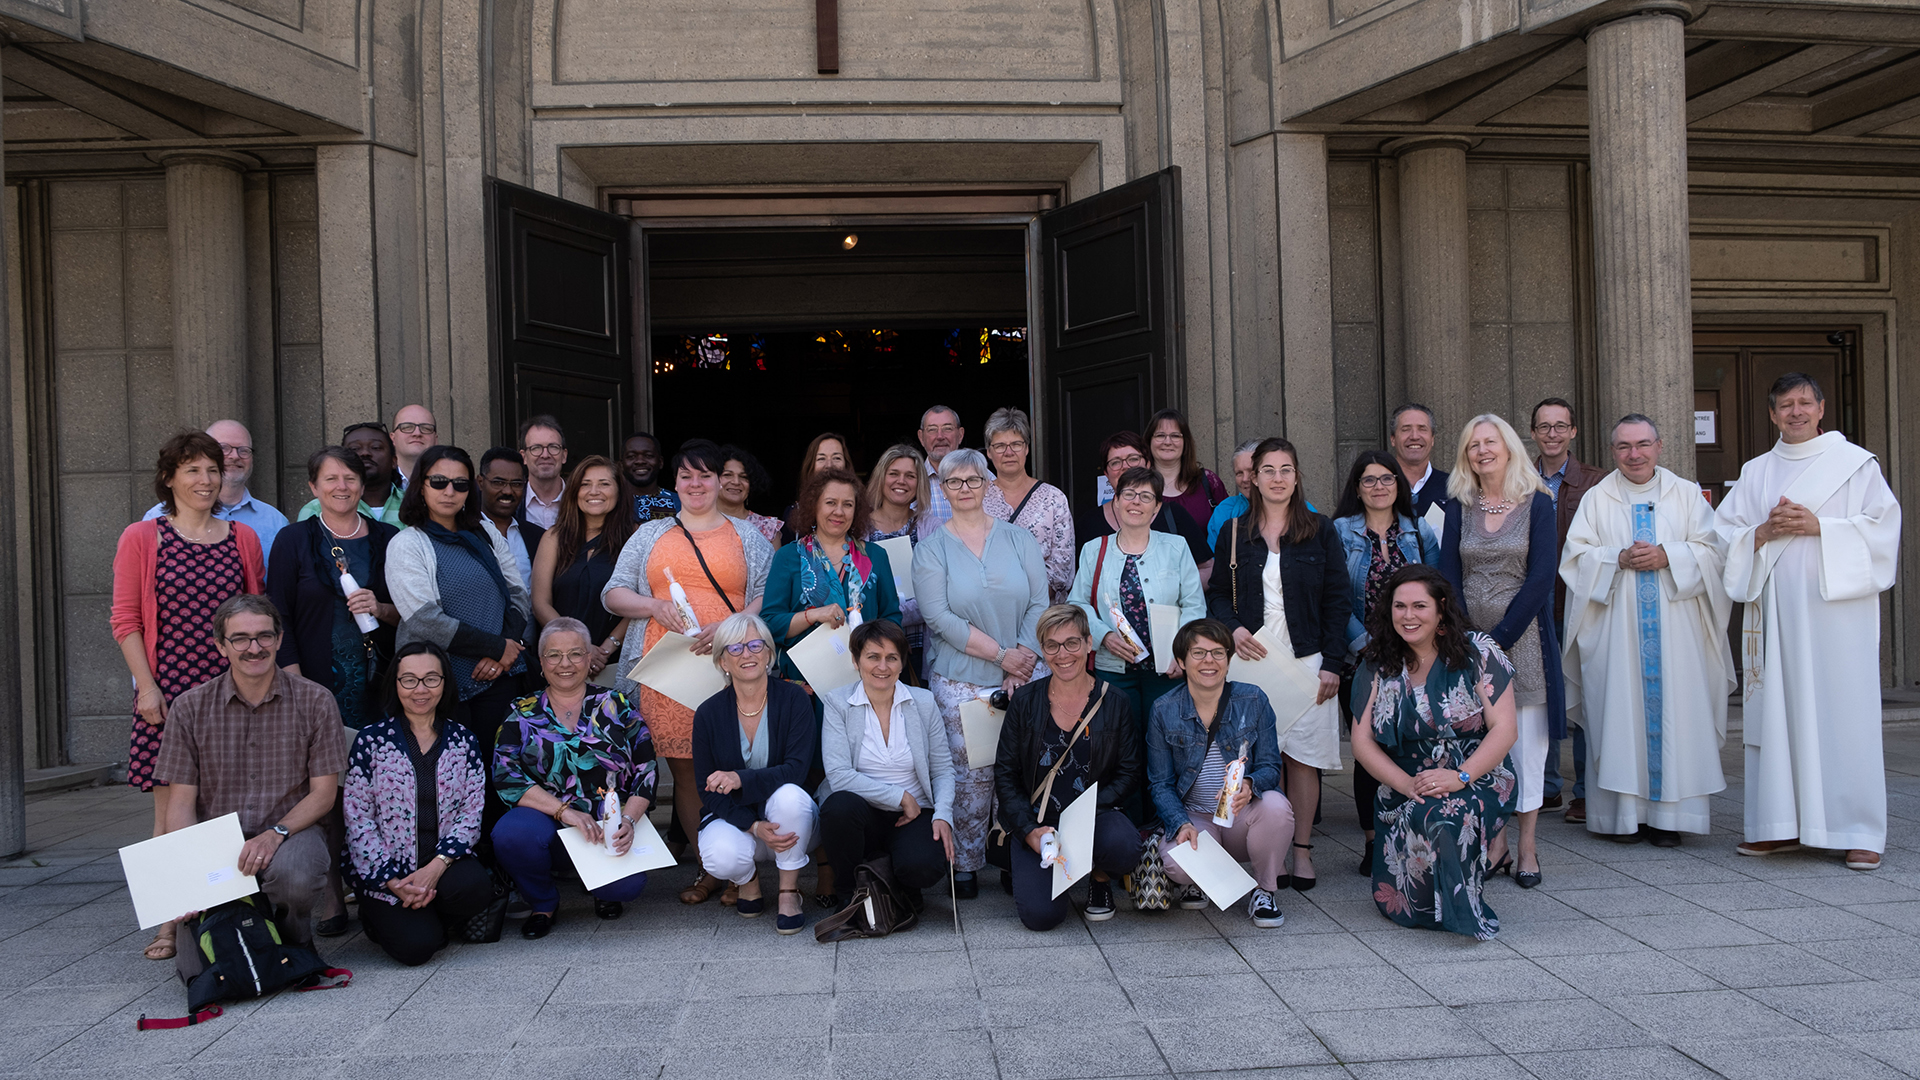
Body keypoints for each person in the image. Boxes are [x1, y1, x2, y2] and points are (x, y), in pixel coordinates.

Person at [1715, 373, 1901, 871]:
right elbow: (1722, 535)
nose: (1795, 412)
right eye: (1784, 405)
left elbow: (1884, 530)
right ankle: (1778, 826)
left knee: (1844, 714)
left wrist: (1821, 527)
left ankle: (1858, 830)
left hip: (1837, 615)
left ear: (1821, 409)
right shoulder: (1756, 471)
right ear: (1773, 415)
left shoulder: (1855, 465)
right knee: (1779, 712)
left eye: (1803, 403)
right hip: (1775, 614)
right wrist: (1760, 531)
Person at [112, 430, 267, 960]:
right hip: (170, 692)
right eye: (193, 470)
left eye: (212, 470)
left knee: (222, 804)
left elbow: (256, 617)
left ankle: (222, 910)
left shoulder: (241, 538)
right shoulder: (143, 536)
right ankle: (168, 925)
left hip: (230, 690)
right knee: (170, 813)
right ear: (171, 478)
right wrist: (147, 689)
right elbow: (126, 621)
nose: (205, 480)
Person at [603, 438, 774, 903]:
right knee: (686, 773)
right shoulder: (650, 534)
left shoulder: (747, 536)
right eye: (686, 475)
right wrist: (653, 604)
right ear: (674, 482)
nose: (695, 484)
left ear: (722, 481)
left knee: (733, 764)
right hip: (667, 670)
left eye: (705, 475)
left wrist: (731, 625)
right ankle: (710, 868)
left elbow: (768, 597)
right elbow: (613, 593)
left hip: (733, 664)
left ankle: (742, 865)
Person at [1561, 416, 1732, 846]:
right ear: (1612, 450)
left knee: (1678, 714)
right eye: (1623, 447)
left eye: (1641, 444)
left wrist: (1669, 557)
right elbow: (1574, 558)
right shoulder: (1598, 498)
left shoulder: (1687, 495)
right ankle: (1622, 818)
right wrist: (1616, 559)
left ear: (1659, 445)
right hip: (1616, 633)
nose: (1633, 454)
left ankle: (1671, 819)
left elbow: (1715, 553)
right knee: (1618, 713)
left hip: (1678, 633)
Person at [155, 594, 347, 968]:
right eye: (240, 638)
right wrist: (190, 871)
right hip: (216, 835)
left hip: (290, 829)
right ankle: (232, 936)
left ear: (278, 639)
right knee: (199, 958)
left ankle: (295, 943)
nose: (253, 648)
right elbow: (179, 802)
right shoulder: (189, 707)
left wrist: (276, 832)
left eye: (263, 637)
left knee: (296, 873)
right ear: (220, 645)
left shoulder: (316, 700)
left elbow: (324, 795)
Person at [1205, 436, 1349, 891]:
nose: (1277, 478)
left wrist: (1333, 662)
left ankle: (1301, 850)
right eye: (1268, 469)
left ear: (1297, 475)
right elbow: (1216, 598)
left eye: (1286, 469)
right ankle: (1271, 849)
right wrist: (1233, 629)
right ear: (1252, 477)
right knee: (1252, 757)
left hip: (1308, 658)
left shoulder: (1320, 529)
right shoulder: (1234, 532)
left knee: (1303, 759)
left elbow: (1338, 598)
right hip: (1253, 659)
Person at [1348, 565, 1519, 939]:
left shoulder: (1478, 653)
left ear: (1441, 609)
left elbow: (1505, 730)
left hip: (1477, 772)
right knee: (1428, 812)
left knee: (1446, 814)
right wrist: (1408, 785)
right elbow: (1361, 743)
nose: (1408, 616)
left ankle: (1460, 907)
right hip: (1406, 780)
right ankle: (1428, 901)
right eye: (1399, 606)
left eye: (1419, 606)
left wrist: (1460, 777)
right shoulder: (1376, 664)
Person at [914, 448, 1049, 898]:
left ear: (988, 485)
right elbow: (939, 617)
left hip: (1024, 673)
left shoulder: (1019, 539)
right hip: (961, 678)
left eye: (974, 480)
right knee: (971, 777)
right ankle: (967, 862)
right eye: (955, 482)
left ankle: (1014, 855)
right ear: (944, 490)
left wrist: (1022, 659)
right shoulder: (931, 548)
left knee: (1023, 770)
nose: (965, 489)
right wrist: (1002, 657)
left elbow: (1038, 603)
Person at [1439, 414, 1563, 888]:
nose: (1482, 450)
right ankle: (1496, 842)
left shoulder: (1539, 503)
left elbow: (1540, 579)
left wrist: (1500, 638)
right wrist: (1469, 635)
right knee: (1479, 743)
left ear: (1508, 447)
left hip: (1524, 638)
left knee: (1526, 744)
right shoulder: (1460, 503)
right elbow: (1448, 570)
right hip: (1467, 639)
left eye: (1490, 441)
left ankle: (1527, 846)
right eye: (1473, 444)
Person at [387, 444, 532, 824]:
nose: (450, 491)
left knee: (500, 773)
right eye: (439, 482)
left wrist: (504, 650)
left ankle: (501, 861)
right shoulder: (408, 544)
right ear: (421, 486)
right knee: (452, 781)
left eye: (460, 484)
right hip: (441, 685)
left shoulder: (484, 532)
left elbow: (518, 594)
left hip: (498, 677)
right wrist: (497, 646)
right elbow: (424, 620)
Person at [492, 618, 658, 937]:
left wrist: (629, 821)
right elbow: (505, 774)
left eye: (575, 654)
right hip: (549, 821)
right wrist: (565, 813)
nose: (565, 664)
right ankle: (543, 903)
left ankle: (601, 889)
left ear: (589, 658)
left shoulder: (617, 705)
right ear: (541, 663)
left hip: (609, 821)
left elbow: (646, 770)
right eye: (554, 655)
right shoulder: (521, 710)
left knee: (626, 887)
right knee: (512, 834)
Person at [342, 642, 493, 965]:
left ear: (444, 683)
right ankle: (388, 916)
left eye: (431, 679)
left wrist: (436, 867)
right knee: (418, 949)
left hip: (441, 860)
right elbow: (358, 819)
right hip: (388, 868)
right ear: (395, 684)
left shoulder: (462, 740)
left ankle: (425, 910)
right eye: (409, 679)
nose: (420, 689)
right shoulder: (372, 741)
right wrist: (392, 880)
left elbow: (471, 813)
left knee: (476, 887)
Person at [993, 605, 1141, 930]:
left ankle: (1098, 876)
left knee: (1124, 846)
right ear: (1042, 650)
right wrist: (1029, 829)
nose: (1063, 654)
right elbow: (1005, 773)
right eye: (1052, 645)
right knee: (1041, 917)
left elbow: (1129, 772)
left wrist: (1083, 813)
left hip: (1092, 818)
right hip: (1038, 824)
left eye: (1072, 643)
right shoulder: (1026, 701)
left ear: (1089, 644)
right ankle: (1042, 863)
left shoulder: (1114, 702)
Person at [1067, 465, 1205, 813]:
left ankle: (1167, 826)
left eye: (1146, 496)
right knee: (1120, 751)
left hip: (1167, 671)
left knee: (1166, 748)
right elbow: (1077, 602)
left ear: (1157, 507)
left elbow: (1194, 604)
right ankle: (1128, 834)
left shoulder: (1176, 547)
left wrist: (1182, 653)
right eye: (1128, 494)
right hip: (1114, 670)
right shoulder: (1093, 550)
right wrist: (1102, 636)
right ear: (1115, 501)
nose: (1136, 502)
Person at [1331, 450, 1439, 873]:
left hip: (1415, 656)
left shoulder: (1418, 531)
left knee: (1412, 742)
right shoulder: (1339, 531)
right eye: (1369, 480)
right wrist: (1365, 647)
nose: (1379, 487)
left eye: (1387, 479)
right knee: (1368, 748)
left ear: (1400, 485)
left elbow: (1435, 591)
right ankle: (1374, 840)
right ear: (1356, 488)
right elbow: (1335, 597)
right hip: (1360, 657)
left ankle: (1414, 829)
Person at [1147, 618, 1294, 927]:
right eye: (1198, 653)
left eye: (1218, 652)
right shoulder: (1164, 709)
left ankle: (1264, 890)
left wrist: (1251, 786)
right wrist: (1180, 823)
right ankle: (1196, 878)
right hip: (1196, 817)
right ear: (1181, 662)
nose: (1209, 661)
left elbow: (1270, 765)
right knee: (1175, 863)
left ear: (1229, 659)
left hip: (1242, 815)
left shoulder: (1253, 699)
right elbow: (1160, 783)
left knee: (1277, 808)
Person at [692, 613, 819, 935]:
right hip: (741, 822)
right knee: (720, 857)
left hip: (792, 821)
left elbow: (797, 769)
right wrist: (752, 825)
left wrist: (740, 778)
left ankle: (789, 891)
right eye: (734, 649)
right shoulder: (707, 713)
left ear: (768, 654)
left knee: (790, 796)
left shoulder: (794, 699)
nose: (746, 654)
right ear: (722, 661)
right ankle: (746, 880)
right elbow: (706, 790)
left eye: (754, 645)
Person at [817, 619, 955, 911]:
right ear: (856, 661)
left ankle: (896, 884)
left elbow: (942, 768)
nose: (883, 667)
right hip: (862, 813)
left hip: (914, 813)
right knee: (838, 808)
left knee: (924, 867)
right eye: (873, 657)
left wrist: (943, 814)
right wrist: (899, 796)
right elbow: (839, 776)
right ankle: (849, 891)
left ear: (902, 663)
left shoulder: (924, 702)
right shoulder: (838, 703)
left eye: (891, 658)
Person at [267, 445, 401, 727]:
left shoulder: (390, 538)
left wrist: (380, 608)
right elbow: (278, 618)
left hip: (384, 683)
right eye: (331, 479)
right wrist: (296, 688)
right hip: (313, 685)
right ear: (314, 487)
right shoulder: (293, 540)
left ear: (362, 487)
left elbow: (412, 612)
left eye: (351, 478)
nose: (342, 486)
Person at [762, 467, 902, 699]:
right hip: (806, 690)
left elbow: (892, 618)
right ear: (813, 505)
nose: (839, 511)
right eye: (830, 502)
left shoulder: (875, 556)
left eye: (848, 504)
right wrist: (813, 615)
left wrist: (877, 655)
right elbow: (769, 623)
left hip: (866, 682)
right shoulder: (788, 557)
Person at [1532, 396, 1607, 819]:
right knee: (1539, 698)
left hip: (1580, 603)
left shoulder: (1597, 483)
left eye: (1561, 426)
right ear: (1534, 433)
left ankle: (1585, 790)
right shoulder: (1518, 480)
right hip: (1535, 608)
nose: (1553, 434)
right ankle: (1545, 787)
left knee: (1583, 696)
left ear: (1573, 432)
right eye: (1544, 426)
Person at [531, 455, 635, 683]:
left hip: (614, 663)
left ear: (619, 491)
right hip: (560, 662)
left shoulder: (636, 538)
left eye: (604, 484)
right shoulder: (553, 537)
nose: (594, 491)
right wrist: (577, 648)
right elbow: (540, 603)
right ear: (574, 491)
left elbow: (645, 599)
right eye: (585, 484)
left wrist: (605, 649)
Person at [141, 419, 288, 557]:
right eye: (224, 448)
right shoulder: (154, 519)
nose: (235, 456)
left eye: (244, 450)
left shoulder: (275, 521)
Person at [1081, 431, 1214, 579]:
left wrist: (1179, 596)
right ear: (1106, 473)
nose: (1125, 466)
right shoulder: (1089, 523)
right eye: (1116, 462)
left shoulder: (1174, 515)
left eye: (1133, 459)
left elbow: (1207, 568)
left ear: (1148, 464)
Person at [981, 407, 1075, 603]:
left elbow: (1063, 561)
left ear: (1027, 448)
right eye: (1000, 446)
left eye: (1016, 444)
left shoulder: (1053, 498)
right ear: (989, 452)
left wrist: (1032, 598)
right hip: (990, 606)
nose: (1008, 452)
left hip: (1042, 610)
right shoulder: (977, 498)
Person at [866, 444, 930, 660]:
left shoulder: (933, 528)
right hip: (871, 646)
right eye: (893, 474)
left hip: (921, 646)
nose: (901, 481)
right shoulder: (858, 530)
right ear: (881, 478)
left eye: (910, 476)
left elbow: (939, 594)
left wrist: (886, 615)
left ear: (919, 482)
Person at [298, 422, 405, 525]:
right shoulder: (315, 509)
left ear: (394, 461)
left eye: (376, 447)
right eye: (355, 448)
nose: (365, 453)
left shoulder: (414, 504)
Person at [1147, 408, 1230, 531]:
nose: (1167, 442)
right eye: (1160, 435)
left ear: (1185, 442)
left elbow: (1230, 531)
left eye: (1175, 436)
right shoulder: (1137, 486)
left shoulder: (1209, 482)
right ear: (1149, 441)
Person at [477, 447, 544, 593]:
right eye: (498, 482)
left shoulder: (538, 537)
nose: (508, 491)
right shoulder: (463, 532)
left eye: (516, 484)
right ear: (481, 482)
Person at [783, 432, 851, 544]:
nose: (829, 465)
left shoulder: (860, 510)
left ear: (846, 465)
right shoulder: (794, 513)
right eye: (821, 459)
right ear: (811, 466)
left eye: (837, 458)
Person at [1389, 404, 1450, 520]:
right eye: (1406, 429)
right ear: (1393, 439)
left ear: (1432, 439)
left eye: (1422, 429)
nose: (1414, 436)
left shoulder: (1454, 488)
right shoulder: (1378, 488)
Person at [718, 444, 785, 547]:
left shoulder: (767, 528)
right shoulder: (697, 523)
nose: (736, 482)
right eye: (727, 475)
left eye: (743, 477)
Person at [1206, 439, 1263, 551]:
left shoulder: (1300, 508)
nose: (1245, 479)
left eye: (1251, 471)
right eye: (1239, 473)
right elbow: (1214, 561)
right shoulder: (1225, 510)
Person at [916, 405, 964, 532]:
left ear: (960, 435)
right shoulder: (910, 482)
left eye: (947, 429)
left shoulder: (983, 478)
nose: (940, 436)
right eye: (932, 430)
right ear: (921, 437)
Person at [518, 416, 569, 529]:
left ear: (564, 456)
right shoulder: (512, 504)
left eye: (553, 447)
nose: (545, 455)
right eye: (536, 448)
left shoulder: (581, 500)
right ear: (524, 457)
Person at [624, 432, 681, 522]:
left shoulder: (681, 502)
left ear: (660, 462)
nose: (640, 461)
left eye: (648, 456)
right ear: (621, 464)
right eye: (631, 456)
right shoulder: (612, 502)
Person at [390, 404, 439, 486]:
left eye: (426, 428)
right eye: (407, 427)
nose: (417, 433)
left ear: (435, 439)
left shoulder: (449, 481)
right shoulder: (376, 483)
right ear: (393, 438)